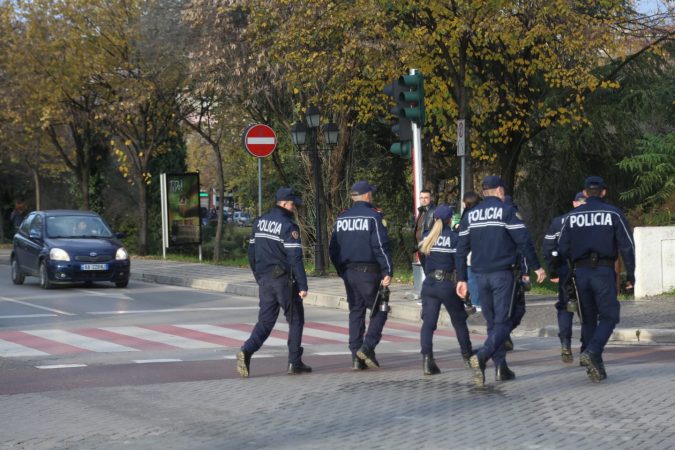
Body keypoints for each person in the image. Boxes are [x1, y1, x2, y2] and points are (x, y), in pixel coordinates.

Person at [455, 176, 546, 387]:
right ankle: (483, 356)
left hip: (479, 276)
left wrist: (461, 278)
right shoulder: (506, 211)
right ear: (499, 191)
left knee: (492, 322)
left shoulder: (470, 215)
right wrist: (536, 266)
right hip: (503, 275)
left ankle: (501, 367)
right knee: (503, 321)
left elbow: (461, 250)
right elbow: (523, 240)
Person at [558, 176, 635, 383]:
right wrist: (631, 274)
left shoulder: (572, 217)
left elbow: (562, 248)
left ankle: (596, 366)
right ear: (603, 192)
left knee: (589, 319)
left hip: (580, 273)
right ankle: (592, 351)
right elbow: (626, 246)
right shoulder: (613, 213)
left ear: (584, 193)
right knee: (610, 316)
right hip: (603, 271)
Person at [236, 187, 311, 377]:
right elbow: (295, 258)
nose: (294, 208)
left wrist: (258, 277)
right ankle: (294, 362)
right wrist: (302, 285)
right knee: (295, 319)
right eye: (293, 204)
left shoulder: (259, 222)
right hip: (283, 280)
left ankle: (247, 350)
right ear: (285, 204)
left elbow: (251, 253)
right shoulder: (288, 226)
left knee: (266, 321)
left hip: (265, 280)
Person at [329, 180, 393, 370]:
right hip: (370, 273)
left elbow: (333, 249)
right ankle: (367, 346)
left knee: (356, 312)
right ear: (366, 196)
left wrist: (342, 270)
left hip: (349, 272)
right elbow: (380, 246)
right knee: (379, 310)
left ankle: (356, 357)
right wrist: (387, 270)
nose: (372, 196)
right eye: (370, 193)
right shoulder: (373, 217)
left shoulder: (342, 218)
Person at [418, 204, 473, 375]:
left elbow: (423, 259)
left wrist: (430, 274)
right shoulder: (455, 238)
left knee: (428, 325)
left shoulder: (426, 236)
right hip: (447, 284)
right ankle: (468, 357)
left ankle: (427, 361)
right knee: (459, 321)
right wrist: (463, 281)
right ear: (450, 220)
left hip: (429, 284)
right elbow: (459, 263)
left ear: (434, 218)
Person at [543, 191, 586, 363]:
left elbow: (548, 247)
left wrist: (553, 271)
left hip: (565, 270)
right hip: (587, 270)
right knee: (587, 311)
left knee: (565, 308)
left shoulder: (559, 221)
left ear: (574, 203)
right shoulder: (591, 221)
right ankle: (586, 350)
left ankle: (566, 344)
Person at [458, 191, 482, 312]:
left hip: (471, 251)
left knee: (472, 277)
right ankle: (477, 301)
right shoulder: (481, 212)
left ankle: (476, 302)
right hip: (482, 251)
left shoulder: (469, 215)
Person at [414, 190, 436, 274]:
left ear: (430, 199)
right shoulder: (421, 212)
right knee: (426, 273)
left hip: (429, 248)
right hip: (420, 247)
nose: (423, 200)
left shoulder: (434, 211)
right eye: (421, 198)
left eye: (426, 197)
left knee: (431, 273)